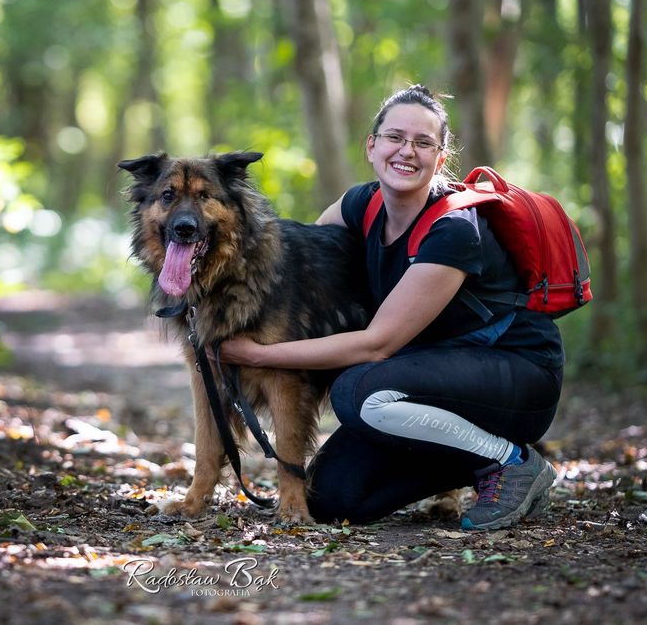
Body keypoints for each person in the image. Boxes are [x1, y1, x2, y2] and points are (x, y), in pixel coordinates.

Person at [216, 84, 565, 530]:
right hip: (434, 386)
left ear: (440, 159)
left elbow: (377, 345)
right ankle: (468, 460)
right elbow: (294, 270)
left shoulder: (454, 230)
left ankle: (510, 460)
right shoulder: (360, 204)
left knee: (357, 392)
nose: (407, 151)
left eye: (423, 143)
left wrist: (258, 354)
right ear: (372, 145)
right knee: (332, 498)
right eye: (395, 137)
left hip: (516, 376)